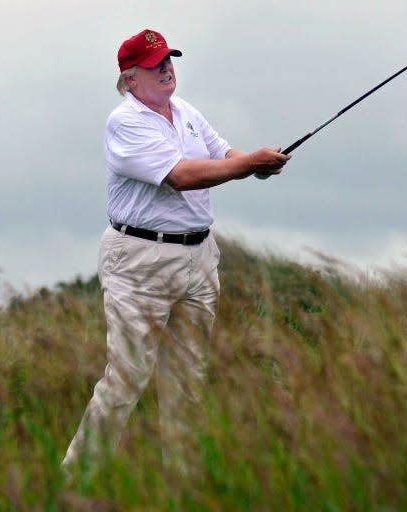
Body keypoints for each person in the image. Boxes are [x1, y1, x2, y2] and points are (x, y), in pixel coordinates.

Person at [61, 28, 289, 481]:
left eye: (169, 59)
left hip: (198, 257)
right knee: (126, 379)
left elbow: (222, 153)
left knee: (187, 383)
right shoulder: (124, 122)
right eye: (154, 64)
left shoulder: (184, 112)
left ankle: (182, 490)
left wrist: (257, 164)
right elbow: (182, 176)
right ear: (130, 79)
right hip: (139, 260)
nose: (166, 68)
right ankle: (72, 484)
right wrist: (247, 166)